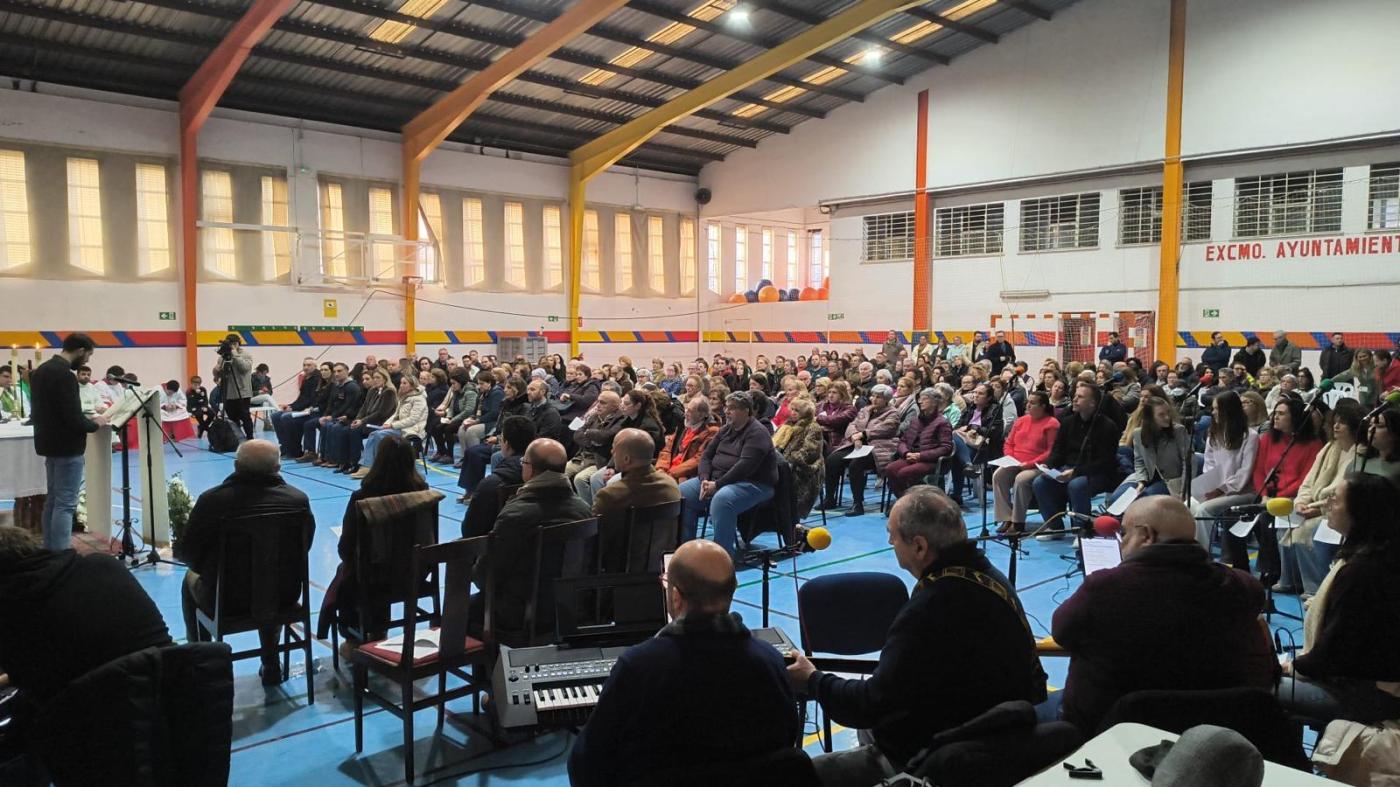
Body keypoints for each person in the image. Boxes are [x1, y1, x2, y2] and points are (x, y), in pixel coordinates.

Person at [786, 487, 1047, 785]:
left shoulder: (929, 608)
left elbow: (868, 706)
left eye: (893, 535)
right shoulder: (988, 576)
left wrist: (813, 679)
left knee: (803, 774)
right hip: (1003, 729)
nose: (889, 542)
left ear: (920, 547)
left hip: (944, 755)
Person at [568, 539, 800, 786]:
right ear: (732, 592)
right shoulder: (770, 660)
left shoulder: (638, 667)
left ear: (676, 596)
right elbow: (785, 741)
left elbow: (587, 763)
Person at [1051, 496, 1275, 733]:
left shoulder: (1104, 587)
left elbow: (1061, 633)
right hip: (1214, 728)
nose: (1121, 542)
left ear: (1147, 535)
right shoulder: (1242, 586)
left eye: (1125, 533)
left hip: (1111, 730)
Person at [175, 440, 315, 684]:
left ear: (237, 466)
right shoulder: (298, 500)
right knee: (268, 577)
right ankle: (271, 662)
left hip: (227, 600)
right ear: (278, 467)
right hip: (284, 596)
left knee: (189, 581)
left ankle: (203, 665)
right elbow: (304, 547)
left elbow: (189, 555)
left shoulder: (212, 501)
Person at [1279, 474, 1400, 725]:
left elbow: (1335, 652)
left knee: (1262, 688)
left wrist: (1293, 667)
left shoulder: (1362, 572)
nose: (1327, 505)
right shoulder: (1376, 556)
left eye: (1334, 500)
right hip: (1369, 680)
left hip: (1368, 693)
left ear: (1360, 511)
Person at [0, 527, 172, 703]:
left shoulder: (13, 612)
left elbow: (29, 679)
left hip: (92, 712)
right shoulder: (105, 565)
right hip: (174, 691)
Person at [472, 438, 592, 642]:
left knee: (458, 609)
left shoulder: (517, 514)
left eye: (524, 462)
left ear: (531, 469)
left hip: (519, 612)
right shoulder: (584, 510)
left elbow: (486, 576)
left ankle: (487, 663)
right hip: (571, 606)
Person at [318, 433, 433, 644]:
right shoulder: (424, 493)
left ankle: (356, 637)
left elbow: (346, 548)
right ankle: (378, 630)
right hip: (416, 570)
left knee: (350, 574)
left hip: (376, 576)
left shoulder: (363, 497)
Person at [1223, 396, 1324, 579]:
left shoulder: (1313, 445)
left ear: (1295, 417)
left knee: (1266, 518)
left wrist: (1277, 498)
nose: (1275, 417)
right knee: (1231, 516)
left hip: (1291, 498)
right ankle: (1240, 568)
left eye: (1281, 414)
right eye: (1275, 413)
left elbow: (1304, 479)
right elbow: (1259, 471)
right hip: (1265, 496)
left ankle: (1270, 571)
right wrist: (1263, 494)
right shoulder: (1267, 439)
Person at [28, 333, 107, 550]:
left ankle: (50, 547)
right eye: (88, 355)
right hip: (67, 446)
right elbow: (72, 417)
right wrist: (95, 424)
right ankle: (61, 552)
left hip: (48, 442)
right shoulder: (64, 375)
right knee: (65, 504)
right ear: (80, 351)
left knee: (53, 501)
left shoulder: (42, 370)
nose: (87, 360)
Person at [679, 393, 778, 556]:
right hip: (717, 480)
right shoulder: (725, 429)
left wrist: (717, 485)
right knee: (682, 492)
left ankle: (723, 557)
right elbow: (706, 456)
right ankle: (686, 551)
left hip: (753, 483)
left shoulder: (758, 433)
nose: (727, 411)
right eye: (726, 407)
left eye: (732, 408)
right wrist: (704, 479)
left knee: (722, 500)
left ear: (746, 411)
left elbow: (745, 467)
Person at [1286, 400, 1362, 597]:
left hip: (1335, 509)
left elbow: (1341, 491)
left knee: (1305, 530)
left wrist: (1317, 509)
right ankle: (1291, 580)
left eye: (1342, 423)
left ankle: (1316, 589)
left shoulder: (1359, 452)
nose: (1336, 426)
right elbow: (1309, 480)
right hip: (1314, 505)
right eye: (1334, 422)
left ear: (1354, 426)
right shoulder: (1329, 447)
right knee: (1283, 521)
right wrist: (1301, 502)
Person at [1032, 382, 1122, 540]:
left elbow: (1105, 461)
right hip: (1069, 468)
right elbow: (1058, 451)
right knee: (1040, 482)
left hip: (1097, 473)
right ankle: (1055, 528)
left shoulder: (1108, 426)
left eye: (1080, 397)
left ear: (1092, 403)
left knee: (1076, 484)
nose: (1074, 399)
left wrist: (1075, 472)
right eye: (1075, 396)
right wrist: (1049, 465)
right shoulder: (1067, 422)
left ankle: (1081, 530)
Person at [1190, 391, 1261, 548]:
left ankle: (1201, 552)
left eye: (1217, 409)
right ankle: (1187, 549)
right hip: (1216, 489)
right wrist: (1209, 486)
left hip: (1242, 492)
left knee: (1203, 510)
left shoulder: (1250, 436)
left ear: (1228, 410)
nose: (1213, 412)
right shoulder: (1214, 435)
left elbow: (1245, 472)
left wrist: (1221, 489)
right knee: (1185, 506)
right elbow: (1209, 463)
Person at [822, 384, 902, 517]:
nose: (874, 399)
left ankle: (857, 504)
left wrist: (863, 434)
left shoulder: (893, 413)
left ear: (886, 399)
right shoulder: (865, 410)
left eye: (878, 397)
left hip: (879, 448)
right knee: (832, 460)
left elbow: (886, 429)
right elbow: (852, 424)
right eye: (873, 396)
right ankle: (830, 498)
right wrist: (854, 435)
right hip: (857, 444)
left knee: (856, 465)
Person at [992, 390, 1060, 535]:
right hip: (1016, 462)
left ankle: (1018, 522)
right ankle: (1006, 517)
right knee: (999, 476)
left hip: (1038, 465)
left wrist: (1029, 463)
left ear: (1043, 406)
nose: (1028, 405)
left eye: (1032, 403)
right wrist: (1010, 458)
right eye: (1028, 402)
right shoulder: (1021, 420)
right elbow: (1009, 443)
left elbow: (1050, 451)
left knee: (1021, 479)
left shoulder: (1052, 423)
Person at [1106, 396, 1192, 507]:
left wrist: (1184, 490)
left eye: (1168, 413)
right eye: (1161, 415)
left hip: (1170, 480)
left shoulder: (1179, 431)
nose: (1167, 417)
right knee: (1116, 499)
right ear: (1150, 417)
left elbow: (1188, 463)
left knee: (1145, 498)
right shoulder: (1138, 433)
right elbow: (1139, 461)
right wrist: (1141, 482)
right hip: (1146, 476)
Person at [461, 415, 535, 539]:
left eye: (501, 438)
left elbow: (470, 529)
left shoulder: (491, 484)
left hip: (498, 543)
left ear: (506, 443)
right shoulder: (546, 476)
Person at [350, 373, 428, 480]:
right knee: (374, 434)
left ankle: (373, 466)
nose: (401, 385)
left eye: (405, 383)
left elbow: (413, 419)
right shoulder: (403, 397)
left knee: (378, 435)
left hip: (411, 430)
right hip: (399, 427)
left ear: (412, 385)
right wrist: (387, 424)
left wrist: (392, 425)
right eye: (401, 383)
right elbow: (395, 414)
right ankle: (369, 466)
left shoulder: (419, 399)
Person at [592, 427, 682, 519]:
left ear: (626, 459)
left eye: (614, 449)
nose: (611, 452)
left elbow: (596, 526)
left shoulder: (608, 496)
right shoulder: (672, 486)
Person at [883, 388, 954, 499]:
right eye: (920, 399)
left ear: (934, 402)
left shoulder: (942, 423)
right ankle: (904, 499)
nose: (920, 401)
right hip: (910, 456)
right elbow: (903, 441)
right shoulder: (915, 421)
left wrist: (920, 456)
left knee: (904, 473)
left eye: (924, 399)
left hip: (930, 460)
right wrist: (906, 453)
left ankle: (911, 500)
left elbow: (946, 448)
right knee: (890, 469)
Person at [322, 367, 395, 474]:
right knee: (345, 430)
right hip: (367, 422)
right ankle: (344, 461)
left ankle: (355, 463)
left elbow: (381, 413)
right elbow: (363, 408)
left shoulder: (389, 392)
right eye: (374, 377)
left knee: (353, 431)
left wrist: (362, 421)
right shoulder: (372, 390)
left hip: (379, 423)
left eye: (378, 377)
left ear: (385, 378)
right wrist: (357, 419)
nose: (375, 380)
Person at [770, 396, 826, 519]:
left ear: (805, 413)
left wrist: (788, 460)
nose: (793, 413)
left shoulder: (813, 427)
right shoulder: (787, 425)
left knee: (783, 475)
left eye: (797, 411)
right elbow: (774, 444)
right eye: (792, 409)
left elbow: (809, 452)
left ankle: (788, 516)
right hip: (785, 462)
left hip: (806, 468)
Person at [297, 362, 362, 464]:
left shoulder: (352, 387)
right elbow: (330, 404)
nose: (336, 374)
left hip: (346, 417)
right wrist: (325, 416)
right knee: (324, 424)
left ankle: (334, 458)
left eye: (339, 371)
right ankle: (324, 456)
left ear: (347, 371)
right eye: (335, 371)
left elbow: (348, 406)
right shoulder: (336, 386)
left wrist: (332, 416)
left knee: (331, 426)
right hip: (334, 415)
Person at [271, 360, 328, 457]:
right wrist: (290, 406)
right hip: (302, 408)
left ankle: (295, 450)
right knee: (275, 416)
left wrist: (293, 408)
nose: (306, 367)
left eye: (309, 365)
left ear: (315, 366)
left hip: (311, 410)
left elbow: (311, 400)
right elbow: (301, 398)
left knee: (287, 418)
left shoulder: (317, 379)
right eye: (304, 365)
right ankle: (285, 447)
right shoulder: (306, 378)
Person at [657, 395, 719, 483]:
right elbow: (667, 449)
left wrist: (670, 473)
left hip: (684, 475)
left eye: (690, 411)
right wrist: (661, 468)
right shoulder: (684, 426)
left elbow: (699, 459)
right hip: (670, 471)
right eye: (686, 409)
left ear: (701, 415)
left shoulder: (712, 432)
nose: (685, 413)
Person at [212, 332, 255, 440]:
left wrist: (235, 354)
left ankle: (250, 438)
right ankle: (237, 438)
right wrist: (216, 370)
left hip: (243, 392)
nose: (231, 346)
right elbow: (217, 376)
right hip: (228, 393)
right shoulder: (223, 356)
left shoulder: (246, 355)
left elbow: (244, 369)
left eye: (234, 344)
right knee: (232, 418)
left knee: (245, 416)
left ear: (237, 343)